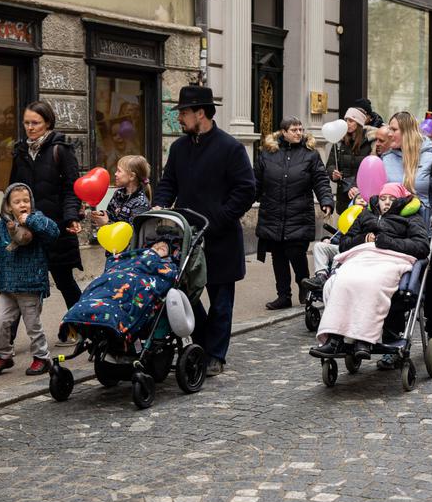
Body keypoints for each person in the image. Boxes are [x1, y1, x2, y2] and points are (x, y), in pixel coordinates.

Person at [153, 85, 256, 375]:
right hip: (187, 237)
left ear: (201, 113)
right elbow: (168, 182)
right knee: (186, 297)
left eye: (184, 113)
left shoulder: (230, 147)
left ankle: (216, 355)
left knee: (221, 300)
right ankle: (202, 344)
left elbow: (246, 189)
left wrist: (222, 217)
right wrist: (161, 205)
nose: (180, 119)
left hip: (220, 238)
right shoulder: (179, 148)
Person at [310, 183, 430, 359]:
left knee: (370, 283)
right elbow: (344, 243)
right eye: (383, 198)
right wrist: (364, 238)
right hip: (362, 257)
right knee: (339, 281)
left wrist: (388, 242)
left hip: (391, 259)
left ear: (401, 201)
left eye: (392, 199)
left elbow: (421, 246)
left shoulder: (411, 218)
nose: (387, 202)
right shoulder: (366, 214)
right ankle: (335, 338)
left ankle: (363, 339)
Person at [380, 111, 432, 369]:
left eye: (393, 129)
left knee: (427, 280)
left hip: (426, 229)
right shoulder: (386, 158)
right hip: (395, 229)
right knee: (393, 283)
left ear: (407, 132)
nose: (388, 134)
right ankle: (392, 340)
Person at [9, 101, 83, 343]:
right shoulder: (20, 151)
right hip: (28, 229)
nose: (30, 127)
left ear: (48, 123)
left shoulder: (60, 149)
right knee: (20, 284)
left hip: (55, 228)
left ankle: (84, 328)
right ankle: (6, 341)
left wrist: (70, 217)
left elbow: (73, 188)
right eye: (27, 122)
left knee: (65, 282)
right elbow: (13, 189)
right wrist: (11, 219)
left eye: (35, 123)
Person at [255, 116, 334, 310]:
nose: (299, 133)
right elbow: (255, 181)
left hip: (299, 212)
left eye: (300, 129)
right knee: (278, 255)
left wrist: (326, 200)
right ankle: (283, 296)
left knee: (296, 252)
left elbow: (321, 180)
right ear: (283, 132)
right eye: (294, 130)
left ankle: (303, 284)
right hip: (273, 212)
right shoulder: (268, 153)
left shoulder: (310, 154)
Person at [0, 183, 60, 376]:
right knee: (0, 321)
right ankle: (3, 356)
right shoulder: (0, 228)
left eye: (26, 200)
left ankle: (42, 357)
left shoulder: (37, 221)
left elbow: (54, 232)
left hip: (30, 285)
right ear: (8, 206)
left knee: (32, 325)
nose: (22, 204)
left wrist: (31, 220)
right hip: (7, 285)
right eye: (17, 202)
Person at [91, 154, 152, 235]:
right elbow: (111, 213)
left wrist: (107, 223)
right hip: (112, 245)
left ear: (131, 176)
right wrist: (102, 215)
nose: (115, 174)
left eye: (119, 171)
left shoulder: (141, 203)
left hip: (129, 247)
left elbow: (131, 233)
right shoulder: (118, 193)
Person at [327, 107, 374, 212]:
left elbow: (370, 171)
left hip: (362, 196)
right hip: (343, 196)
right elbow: (330, 164)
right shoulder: (339, 142)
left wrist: (356, 187)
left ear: (359, 123)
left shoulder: (369, 144)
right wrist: (333, 173)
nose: (347, 123)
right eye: (346, 120)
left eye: (351, 121)